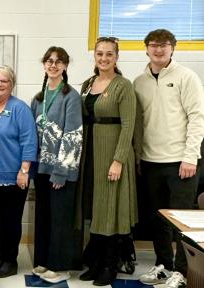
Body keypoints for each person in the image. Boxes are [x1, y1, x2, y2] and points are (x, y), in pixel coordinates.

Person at [134, 29, 204, 288]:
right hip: (151, 161)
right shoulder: (139, 82)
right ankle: (164, 265)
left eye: (164, 45)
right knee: (158, 219)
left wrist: (190, 157)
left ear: (172, 48)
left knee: (181, 222)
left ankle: (182, 271)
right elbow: (140, 124)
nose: (159, 49)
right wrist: (140, 157)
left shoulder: (187, 77)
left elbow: (198, 118)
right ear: (146, 48)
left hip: (181, 162)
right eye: (154, 45)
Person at [78, 36, 137, 286]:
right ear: (94, 57)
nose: (103, 58)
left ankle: (110, 265)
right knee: (96, 208)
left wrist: (118, 160)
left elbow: (129, 126)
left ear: (116, 57)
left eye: (109, 54)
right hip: (91, 153)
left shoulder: (123, 86)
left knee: (111, 209)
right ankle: (95, 261)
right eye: (99, 54)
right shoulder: (88, 84)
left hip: (112, 154)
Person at [0, 65, 38, 278]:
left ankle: (11, 261)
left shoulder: (19, 109)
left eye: (4, 81)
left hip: (14, 176)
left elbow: (29, 141)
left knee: (12, 219)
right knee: (0, 218)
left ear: (12, 84)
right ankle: (2, 258)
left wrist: (24, 170)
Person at [30, 47, 83, 283]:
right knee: (44, 216)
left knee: (60, 219)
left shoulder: (70, 96)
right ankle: (44, 261)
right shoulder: (38, 98)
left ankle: (61, 267)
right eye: (49, 61)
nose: (53, 65)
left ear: (65, 66)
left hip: (60, 171)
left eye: (58, 62)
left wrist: (61, 172)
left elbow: (73, 136)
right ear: (44, 65)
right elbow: (32, 135)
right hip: (41, 169)